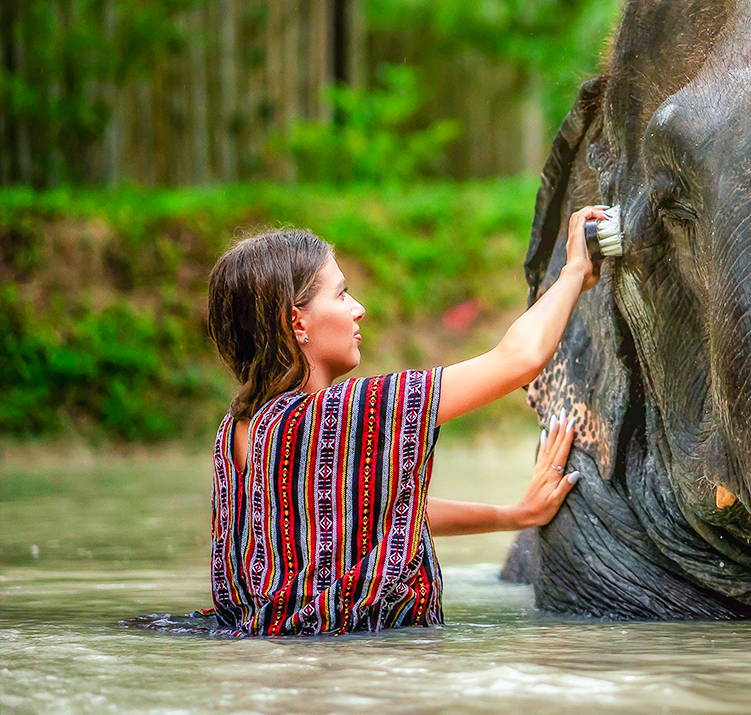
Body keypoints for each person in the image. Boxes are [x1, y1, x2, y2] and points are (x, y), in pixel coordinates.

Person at [200, 206, 606, 637]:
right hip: (356, 665)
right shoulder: (337, 413)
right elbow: (518, 359)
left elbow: (376, 514)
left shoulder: (238, 431)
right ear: (296, 320)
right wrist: (573, 272)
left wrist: (513, 514)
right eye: (340, 295)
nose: (358, 309)